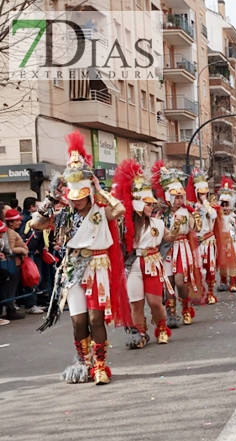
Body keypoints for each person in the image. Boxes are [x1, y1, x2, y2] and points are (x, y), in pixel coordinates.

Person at [31, 130, 132, 384]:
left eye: (82, 197)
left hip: (97, 266)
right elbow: (35, 224)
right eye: (73, 198)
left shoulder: (100, 210)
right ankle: (83, 362)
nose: (77, 202)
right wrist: (53, 197)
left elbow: (119, 209)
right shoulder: (64, 215)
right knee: (78, 321)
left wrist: (99, 188)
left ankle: (100, 365)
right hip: (73, 269)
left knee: (96, 318)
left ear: (88, 193)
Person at [114, 159, 173, 349]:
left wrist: (178, 230)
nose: (152, 206)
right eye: (147, 203)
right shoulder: (124, 224)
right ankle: (140, 333)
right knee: (136, 303)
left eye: (152, 203)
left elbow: (169, 238)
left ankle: (162, 327)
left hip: (153, 262)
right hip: (133, 266)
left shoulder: (158, 223)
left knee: (155, 302)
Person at [151, 161, 204, 327]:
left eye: (181, 196)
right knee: (169, 285)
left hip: (182, 248)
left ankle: (186, 307)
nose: (179, 200)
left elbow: (197, 228)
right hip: (167, 250)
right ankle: (171, 313)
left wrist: (194, 217)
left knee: (180, 282)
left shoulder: (188, 211)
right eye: (176, 197)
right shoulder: (160, 214)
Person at [189, 170, 219, 305]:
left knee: (210, 268)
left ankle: (211, 292)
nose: (203, 195)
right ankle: (200, 291)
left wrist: (205, 203)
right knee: (198, 268)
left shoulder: (210, 206)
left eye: (205, 192)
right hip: (197, 242)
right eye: (200, 193)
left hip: (209, 241)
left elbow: (213, 216)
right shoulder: (191, 207)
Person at [1, 209, 30, 319]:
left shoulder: (10, 231)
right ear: (10, 222)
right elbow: (11, 249)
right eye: (17, 221)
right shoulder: (10, 233)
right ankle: (10, 309)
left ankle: (11, 307)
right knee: (11, 287)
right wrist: (23, 250)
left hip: (15, 263)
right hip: (13, 263)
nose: (19, 222)